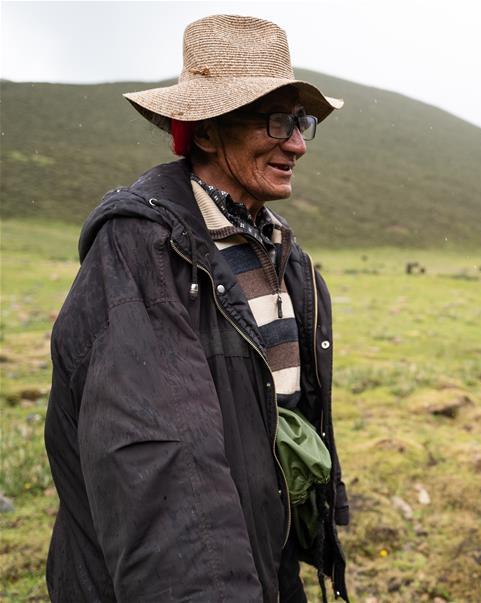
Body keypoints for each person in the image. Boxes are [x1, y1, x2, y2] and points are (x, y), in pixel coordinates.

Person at [45, 15, 349, 602]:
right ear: (206, 132)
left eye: (302, 121)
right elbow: (162, 472)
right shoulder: (141, 254)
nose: (298, 143)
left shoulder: (285, 255)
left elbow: (279, 422)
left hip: (262, 562)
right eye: (277, 122)